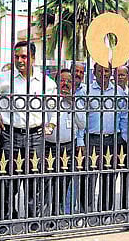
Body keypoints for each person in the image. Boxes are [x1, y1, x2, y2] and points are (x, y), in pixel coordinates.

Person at [0, 41, 57, 219]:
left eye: (24, 57)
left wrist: (51, 124)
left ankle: (33, 219)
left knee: (34, 180)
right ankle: (5, 218)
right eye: (16, 57)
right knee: (8, 179)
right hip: (10, 134)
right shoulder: (4, 79)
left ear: (32, 58)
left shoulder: (45, 82)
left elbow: (53, 107)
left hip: (35, 135)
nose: (20, 60)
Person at [77, 63, 129, 211]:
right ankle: (85, 211)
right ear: (94, 72)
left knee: (109, 178)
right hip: (92, 139)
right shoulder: (86, 91)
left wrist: (123, 137)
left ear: (111, 73)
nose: (103, 74)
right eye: (100, 71)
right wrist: (81, 140)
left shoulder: (118, 93)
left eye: (106, 71)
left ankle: (105, 211)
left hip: (113, 139)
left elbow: (124, 116)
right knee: (88, 177)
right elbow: (81, 118)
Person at [44, 69, 85, 214]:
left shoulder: (75, 100)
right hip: (49, 146)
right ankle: (47, 211)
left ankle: (59, 209)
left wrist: (72, 104)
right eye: (62, 80)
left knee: (64, 180)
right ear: (56, 82)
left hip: (68, 146)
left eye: (69, 81)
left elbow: (82, 124)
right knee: (48, 180)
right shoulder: (49, 98)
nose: (65, 84)